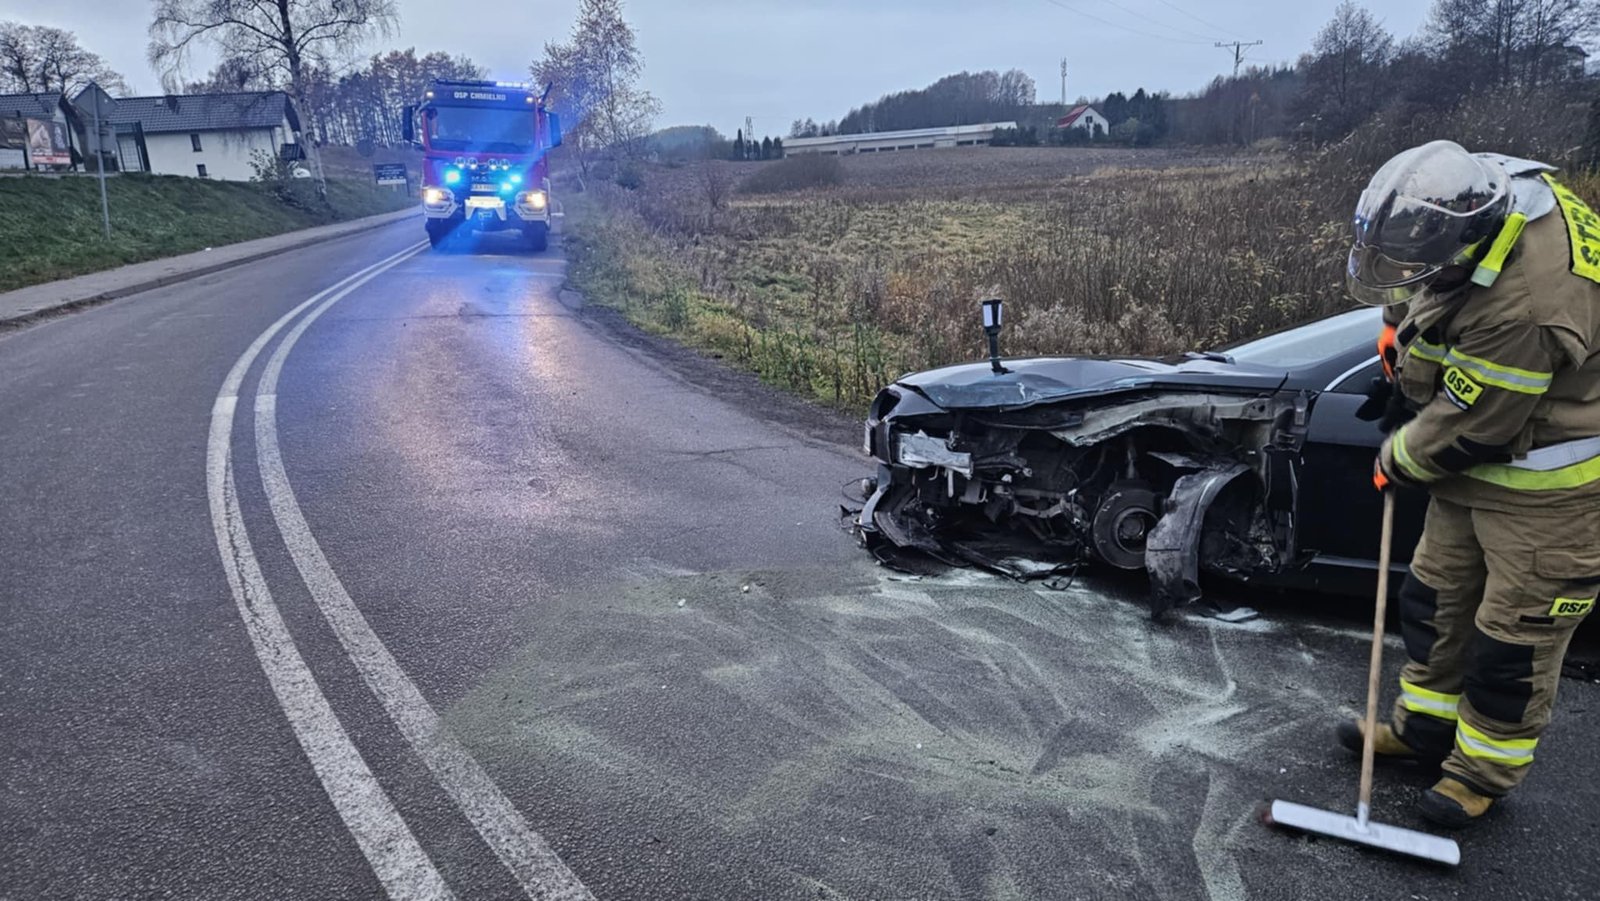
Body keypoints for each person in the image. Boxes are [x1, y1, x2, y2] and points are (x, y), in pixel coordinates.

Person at [1341, 140, 1600, 828]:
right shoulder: (1476, 191)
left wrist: (1394, 458)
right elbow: (1424, 286)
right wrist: (1396, 346)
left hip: (1551, 487)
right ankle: (1424, 730)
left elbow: (1474, 425)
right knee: (1435, 600)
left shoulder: (1531, 306)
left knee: (1511, 644)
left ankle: (1479, 773)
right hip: (1476, 476)